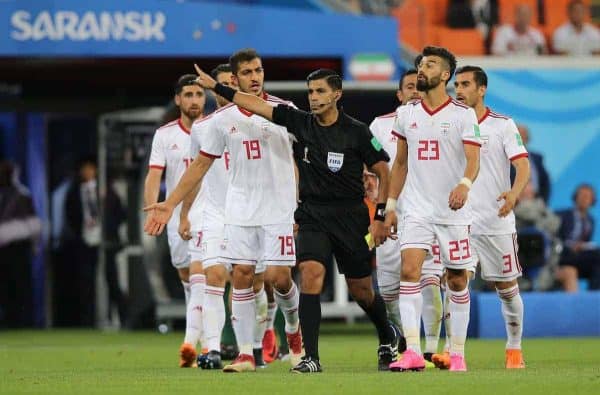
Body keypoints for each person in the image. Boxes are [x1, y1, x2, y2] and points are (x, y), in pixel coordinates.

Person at [186, 65, 401, 374]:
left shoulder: (357, 131)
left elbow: (383, 169)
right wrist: (219, 90)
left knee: (361, 291)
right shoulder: (299, 122)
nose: (313, 98)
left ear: (337, 94)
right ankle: (310, 357)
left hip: (350, 216)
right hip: (312, 214)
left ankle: (386, 333)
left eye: (320, 91)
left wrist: (381, 213)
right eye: (310, 92)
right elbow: (257, 105)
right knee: (311, 275)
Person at [144, 49, 303, 373]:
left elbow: (304, 156)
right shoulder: (219, 121)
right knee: (241, 277)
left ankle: (294, 331)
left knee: (278, 278)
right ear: (235, 79)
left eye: (259, 70)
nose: (255, 77)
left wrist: (300, 202)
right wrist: (171, 204)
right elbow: (200, 165)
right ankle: (245, 352)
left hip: (278, 207)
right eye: (248, 73)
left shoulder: (284, 110)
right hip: (240, 209)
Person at [384, 46, 481, 372]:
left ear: (445, 75)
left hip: (452, 213)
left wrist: (464, 185)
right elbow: (399, 164)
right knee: (409, 272)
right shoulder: (406, 114)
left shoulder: (462, 114)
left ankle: (457, 354)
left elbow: (473, 160)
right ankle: (412, 351)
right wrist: (392, 205)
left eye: (431, 65)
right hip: (417, 210)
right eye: (421, 64)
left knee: (455, 280)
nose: (422, 69)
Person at [452, 65, 530, 369]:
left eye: (466, 84)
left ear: (482, 89)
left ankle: (514, 348)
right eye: (456, 84)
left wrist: (513, 193)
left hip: (495, 221)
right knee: (455, 281)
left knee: (507, 289)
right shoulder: (450, 122)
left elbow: (522, 166)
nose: (459, 90)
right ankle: (455, 352)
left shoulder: (502, 125)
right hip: (459, 220)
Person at [369, 67, 443, 364]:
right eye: (408, 87)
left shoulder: (439, 122)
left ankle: (430, 349)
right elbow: (370, 165)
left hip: (428, 214)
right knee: (388, 290)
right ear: (399, 94)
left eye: (417, 86)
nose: (414, 90)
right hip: (392, 214)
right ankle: (401, 336)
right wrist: (379, 210)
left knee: (429, 281)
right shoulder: (378, 126)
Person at [144, 74, 206, 366]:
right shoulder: (165, 135)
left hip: (209, 212)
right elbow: (154, 174)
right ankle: (205, 339)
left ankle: (192, 344)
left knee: (203, 274)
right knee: (188, 278)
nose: (195, 100)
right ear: (178, 99)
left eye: (199, 94)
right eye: (189, 94)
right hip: (173, 214)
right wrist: (153, 207)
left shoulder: (214, 128)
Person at [0, 160, 41, 328]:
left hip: (17, 247)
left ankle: (23, 321)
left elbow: (32, 223)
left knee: (19, 286)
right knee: (4, 287)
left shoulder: (22, 194)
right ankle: (8, 319)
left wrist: (35, 244)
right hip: (2, 249)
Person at [556, 184, 600, 291]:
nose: (584, 199)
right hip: (564, 253)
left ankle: (593, 294)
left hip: (580, 256)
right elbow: (555, 238)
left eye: (587, 197)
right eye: (582, 196)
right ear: (575, 198)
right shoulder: (562, 215)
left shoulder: (591, 220)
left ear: (592, 201)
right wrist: (571, 246)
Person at [511, 125, 550, 203]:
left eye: (523, 135)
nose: (521, 138)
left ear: (528, 138)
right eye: (518, 135)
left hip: (535, 202)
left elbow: (545, 183)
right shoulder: (505, 158)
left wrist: (543, 201)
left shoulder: (537, 158)